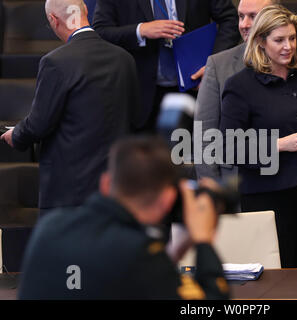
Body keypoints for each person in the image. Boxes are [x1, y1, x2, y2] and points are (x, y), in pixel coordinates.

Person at [18, 136, 229, 299]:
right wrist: (203, 240)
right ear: (167, 199)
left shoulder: (50, 226)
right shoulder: (140, 255)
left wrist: (173, 253)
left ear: (106, 184)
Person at [220, 5, 297, 268]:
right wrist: (280, 145)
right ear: (261, 41)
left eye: (293, 38)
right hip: (266, 198)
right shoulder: (240, 86)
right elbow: (227, 147)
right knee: (276, 279)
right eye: (279, 40)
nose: (289, 46)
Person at [194, 0, 297, 208]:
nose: (245, 24)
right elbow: (207, 136)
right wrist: (210, 190)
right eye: (240, 16)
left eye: (253, 16)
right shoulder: (219, 65)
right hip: (247, 189)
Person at [0, 0, 140, 217]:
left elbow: (39, 123)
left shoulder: (56, 62)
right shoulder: (125, 58)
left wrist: (16, 135)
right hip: (116, 186)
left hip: (68, 193)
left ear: (53, 20)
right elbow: (136, 118)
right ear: (86, 12)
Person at [93, 0, 240, 132]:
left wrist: (212, 66)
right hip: (140, 96)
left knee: (194, 157)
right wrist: (140, 30)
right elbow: (101, 32)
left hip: (195, 87)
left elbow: (230, 20)